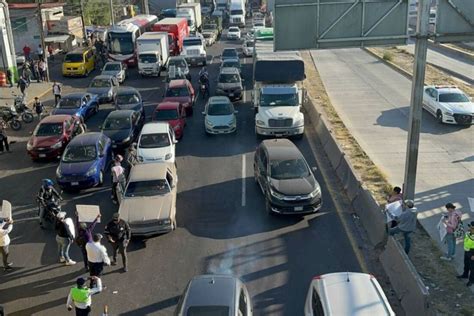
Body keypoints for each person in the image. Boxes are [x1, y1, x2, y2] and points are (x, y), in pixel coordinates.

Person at [457, 221, 474, 287]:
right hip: (467, 251)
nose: (469, 227)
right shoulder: (468, 233)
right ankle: (465, 275)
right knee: (466, 264)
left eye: (471, 227)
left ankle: (471, 281)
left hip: (472, 253)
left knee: (472, 268)